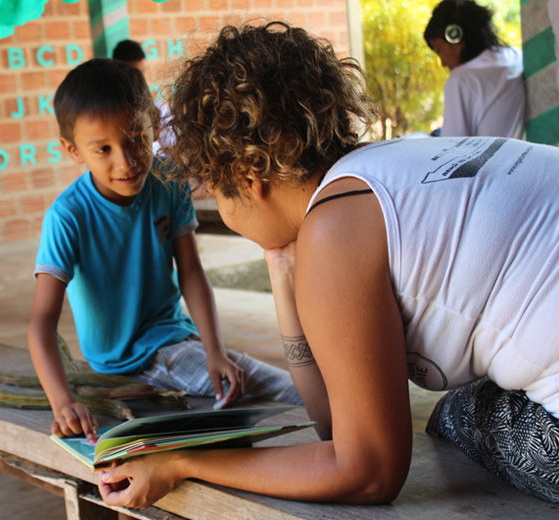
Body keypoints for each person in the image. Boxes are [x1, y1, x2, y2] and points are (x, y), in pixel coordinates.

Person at [98, 22, 559, 507]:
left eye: (215, 191)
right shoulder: (390, 160)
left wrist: (181, 462)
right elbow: (337, 423)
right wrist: (282, 270)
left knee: (454, 418)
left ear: (247, 176)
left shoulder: (336, 229)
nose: (224, 211)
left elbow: (366, 470)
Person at [27, 58, 301, 442]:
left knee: (269, 387)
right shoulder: (68, 216)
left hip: (177, 342)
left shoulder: (168, 183)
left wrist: (215, 351)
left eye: (136, 139)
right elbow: (41, 323)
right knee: (294, 392)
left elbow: (191, 274)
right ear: (72, 150)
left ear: (154, 124)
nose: (126, 161)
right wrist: (62, 403)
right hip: (130, 362)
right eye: (103, 149)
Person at [424, 0, 525, 138]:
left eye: (439, 50)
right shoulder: (515, 55)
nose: (442, 62)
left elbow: (452, 147)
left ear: (454, 36)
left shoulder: (462, 79)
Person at [112, 39, 174, 151]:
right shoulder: (107, 112)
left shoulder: (159, 110)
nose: (136, 79)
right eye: (130, 74)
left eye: (140, 73)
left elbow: (172, 148)